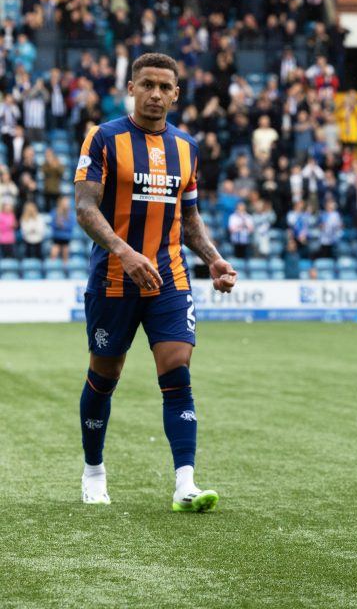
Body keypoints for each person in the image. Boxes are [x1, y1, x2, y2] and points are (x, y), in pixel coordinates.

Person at [73, 53, 237, 511]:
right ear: (131, 87)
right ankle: (94, 471)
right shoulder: (104, 138)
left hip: (169, 276)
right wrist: (123, 252)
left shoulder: (187, 147)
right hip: (113, 278)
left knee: (177, 372)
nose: (156, 94)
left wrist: (215, 259)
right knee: (104, 377)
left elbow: (189, 218)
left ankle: (185, 482)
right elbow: (85, 208)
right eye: (147, 84)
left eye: (165, 87)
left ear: (176, 94)